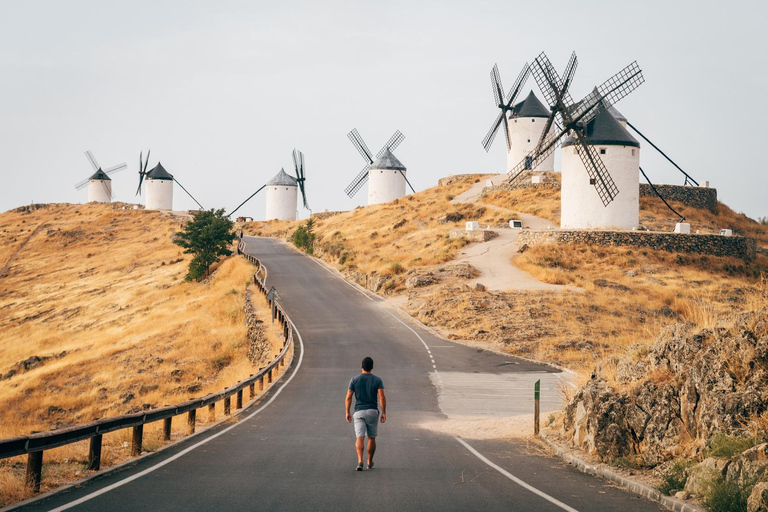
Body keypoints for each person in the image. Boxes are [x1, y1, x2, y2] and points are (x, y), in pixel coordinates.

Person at [345, 356, 386, 471]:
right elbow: (382, 397)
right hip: (372, 411)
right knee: (371, 438)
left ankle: (359, 461)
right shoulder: (377, 380)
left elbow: (348, 397)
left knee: (360, 437)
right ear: (372, 367)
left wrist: (347, 412)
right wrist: (384, 412)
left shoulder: (354, 379)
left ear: (361, 366)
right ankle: (369, 461)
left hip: (358, 412)